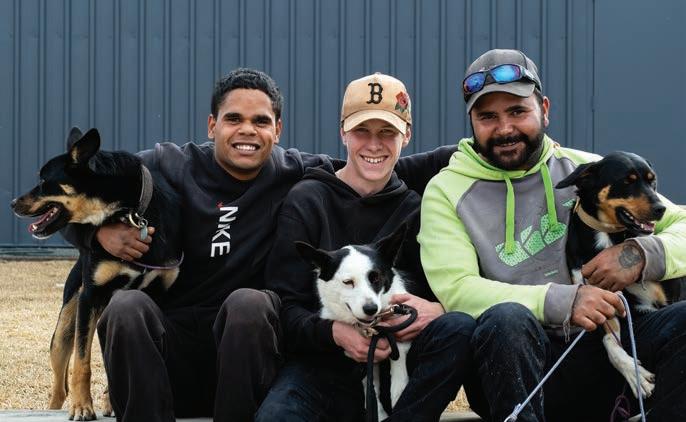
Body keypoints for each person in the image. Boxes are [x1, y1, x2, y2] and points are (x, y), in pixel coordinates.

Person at [62, 68, 456, 422]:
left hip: (243, 341)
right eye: (234, 119)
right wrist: (94, 235)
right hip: (169, 337)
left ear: (277, 130)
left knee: (250, 302)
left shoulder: (294, 170)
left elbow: (377, 166)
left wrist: (482, 147)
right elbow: (69, 191)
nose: (247, 130)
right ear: (212, 124)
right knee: (125, 306)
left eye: (261, 121)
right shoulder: (167, 163)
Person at [418, 49, 686, 421]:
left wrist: (638, 255)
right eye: (487, 116)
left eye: (517, 111)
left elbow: (679, 223)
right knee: (507, 319)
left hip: (608, 349)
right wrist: (562, 301)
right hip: (513, 362)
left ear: (544, 109)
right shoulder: (447, 191)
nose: (504, 128)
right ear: (472, 122)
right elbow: (458, 289)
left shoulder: (587, 170)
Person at [256, 73, 475, 422]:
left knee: (457, 328)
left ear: (407, 134)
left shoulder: (419, 208)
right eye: (362, 131)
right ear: (343, 132)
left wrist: (432, 309)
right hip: (323, 362)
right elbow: (286, 306)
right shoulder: (307, 200)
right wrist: (335, 333)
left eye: (387, 132)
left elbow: (443, 287)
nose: (374, 145)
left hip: (400, 361)